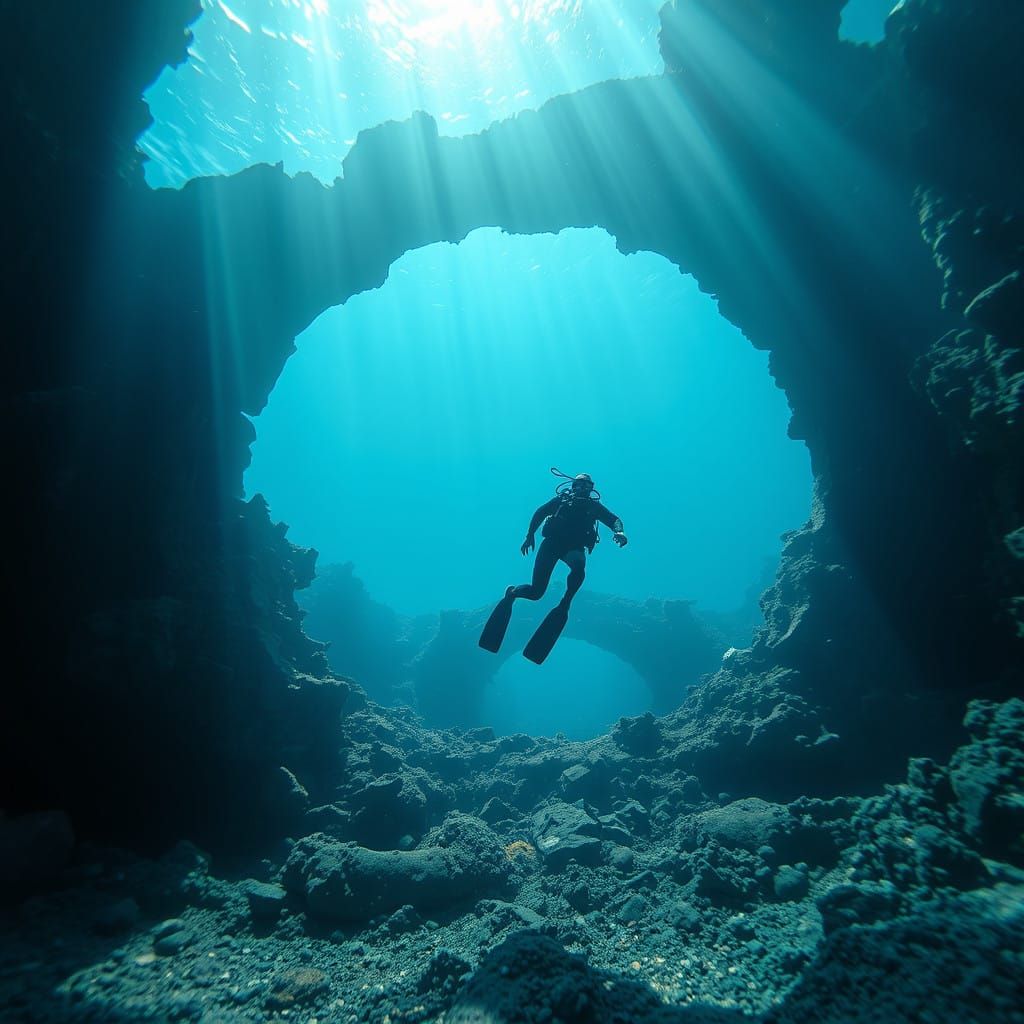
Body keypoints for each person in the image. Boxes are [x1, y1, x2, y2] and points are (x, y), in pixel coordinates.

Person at [479, 468, 628, 662]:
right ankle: (512, 594)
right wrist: (529, 535)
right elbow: (539, 513)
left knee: (579, 569)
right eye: (579, 484)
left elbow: (614, 520)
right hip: (551, 545)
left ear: (591, 489)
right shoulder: (561, 502)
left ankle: (565, 602)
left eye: (587, 485)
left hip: (573, 547)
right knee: (536, 593)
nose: (583, 488)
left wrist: (620, 532)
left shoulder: (594, 508)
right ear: (572, 486)